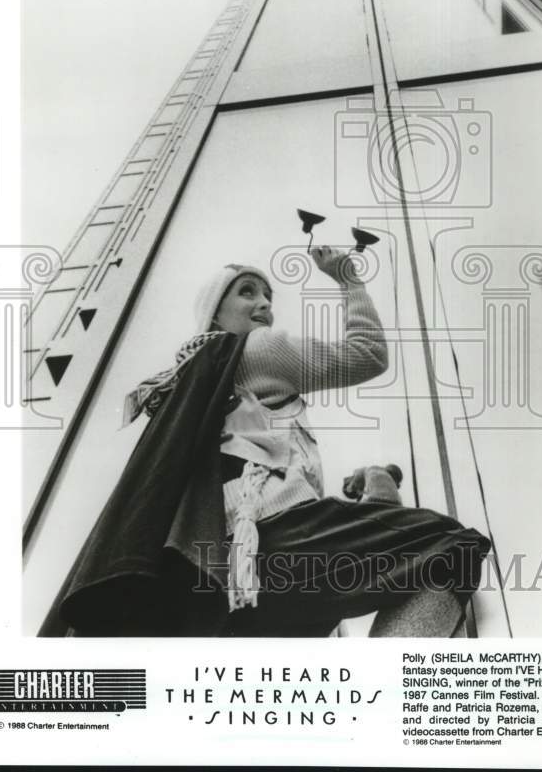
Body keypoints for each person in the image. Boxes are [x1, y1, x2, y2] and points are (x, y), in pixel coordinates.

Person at [56, 248, 490, 638]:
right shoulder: (254, 350)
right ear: (215, 314)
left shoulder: (190, 380)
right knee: (450, 546)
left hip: (216, 563)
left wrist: (378, 479)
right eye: (247, 292)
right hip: (273, 535)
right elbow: (368, 354)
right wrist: (348, 278)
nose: (263, 304)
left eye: (268, 297)